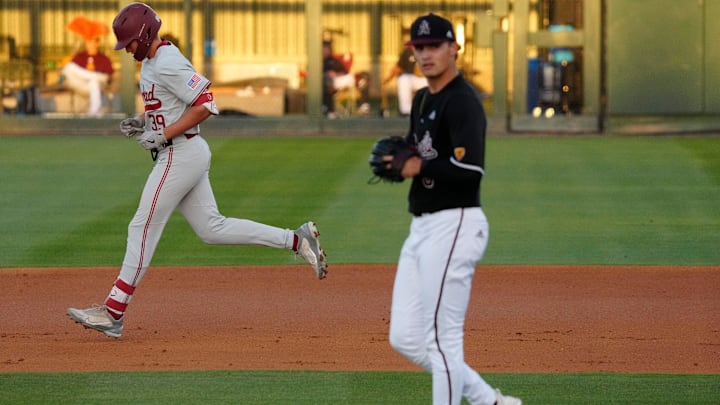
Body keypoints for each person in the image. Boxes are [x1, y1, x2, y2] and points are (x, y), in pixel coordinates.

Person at [67, 2, 328, 339]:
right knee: (212, 229)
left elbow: (206, 104)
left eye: (130, 41)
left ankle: (113, 311)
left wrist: (164, 134)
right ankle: (296, 239)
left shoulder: (168, 60)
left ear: (145, 34)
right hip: (181, 151)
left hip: (181, 154)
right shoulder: (150, 63)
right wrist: (144, 121)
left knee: (142, 225)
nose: (127, 48)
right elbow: (171, 106)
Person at [386, 14, 521, 405]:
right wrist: (399, 162)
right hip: (423, 227)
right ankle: (490, 402)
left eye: (433, 46)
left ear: (453, 48)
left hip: (456, 223)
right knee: (406, 338)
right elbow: (415, 152)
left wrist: (418, 166)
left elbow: (470, 171)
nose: (425, 55)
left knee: (442, 339)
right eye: (419, 48)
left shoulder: (464, 102)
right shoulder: (423, 98)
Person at [61, 37, 114, 116]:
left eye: (93, 42)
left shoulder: (104, 58)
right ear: (85, 43)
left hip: (99, 84)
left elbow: (108, 76)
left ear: (97, 43)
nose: (91, 45)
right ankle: (92, 76)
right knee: (69, 67)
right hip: (82, 85)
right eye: (89, 42)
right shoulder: (79, 56)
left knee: (94, 82)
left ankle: (94, 112)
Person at [322, 38, 370, 118]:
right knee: (327, 81)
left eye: (328, 48)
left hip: (342, 79)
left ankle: (363, 106)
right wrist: (328, 74)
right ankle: (330, 110)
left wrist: (337, 74)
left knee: (363, 78)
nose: (326, 50)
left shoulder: (335, 59)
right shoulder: (319, 61)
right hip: (328, 83)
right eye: (324, 48)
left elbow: (345, 71)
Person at [382, 35, 428, 116]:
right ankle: (406, 110)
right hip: (412, 79)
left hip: (427, 79)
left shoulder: (426, 51)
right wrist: (388, 79)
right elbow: (398, 67)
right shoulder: (406, 52)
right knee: (403, 79)